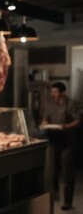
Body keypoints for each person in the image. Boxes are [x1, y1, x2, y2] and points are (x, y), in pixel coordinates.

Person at [40, 82, 80, 211]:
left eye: (55, 92)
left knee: (67, 172)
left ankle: (67, 202)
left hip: (67, 141)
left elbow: (78, 120)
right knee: (52, 172)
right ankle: (54, 196)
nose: (53, 94)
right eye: (52, 92)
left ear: (62, 92)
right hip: (53, 140)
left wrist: (66, 126)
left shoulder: (71, 103)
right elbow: (45, 118)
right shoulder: (50, 104)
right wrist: (44, 123)